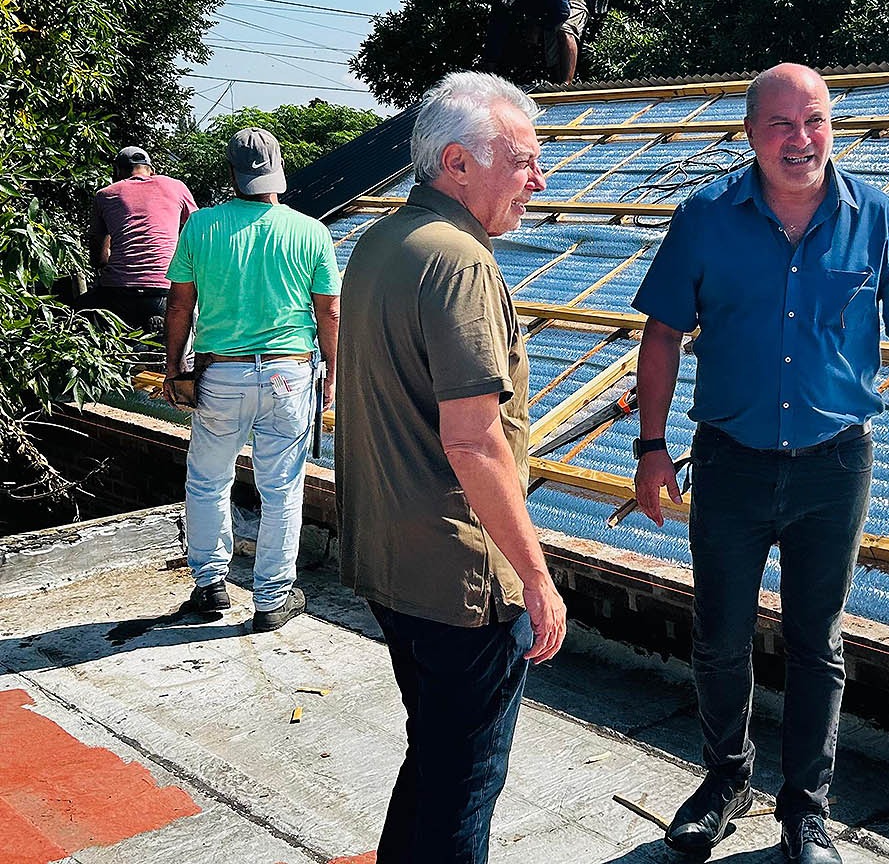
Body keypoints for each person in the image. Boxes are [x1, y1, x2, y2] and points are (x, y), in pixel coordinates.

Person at [631, 63, 889, 864]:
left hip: (833, 466)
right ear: (750, 133)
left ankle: (806, 811)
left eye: (814, 120)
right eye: (781, 124)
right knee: (719, 635)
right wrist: (650, 448)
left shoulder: (878, 217)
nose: (800, 139)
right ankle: (725, 780)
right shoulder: (706, 216)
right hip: (731, 461)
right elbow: (661, 336)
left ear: (832, 127)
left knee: (818, 641)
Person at [335, 70, 567, 863]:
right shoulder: (462, 263)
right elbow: (473, 442)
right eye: (523, 160)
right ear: (458, 164)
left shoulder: (381, 242)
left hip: (392, 562)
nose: (539, 179)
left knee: (433, 766)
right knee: (463, 786)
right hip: (460, 581)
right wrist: (534, 575)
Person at [163, 127, 340, 633]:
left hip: (219, 372)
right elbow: (328, 311)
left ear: (233, 174)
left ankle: (211, 585)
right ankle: (272, 599)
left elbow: (180, 303)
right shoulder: (310, 232)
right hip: (290, 372)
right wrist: (330, 371)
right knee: (282, 488)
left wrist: (174, 368)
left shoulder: (202, 226)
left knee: (207, 479)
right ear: (278, 168)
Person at [80, 146, 197, 331]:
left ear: (117, 171)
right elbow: (197, 229)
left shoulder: (105, 195)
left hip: (118, 291)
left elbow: (98, 258)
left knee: (79, 314)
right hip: (166, 287)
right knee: (174, 355)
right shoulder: (176, 187)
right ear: (151, 170)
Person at [479, 0, 596, 85]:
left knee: (564, 31)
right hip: (553, 9)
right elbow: (495, 31)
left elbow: (563, 11)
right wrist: (488, 73)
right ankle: (557, 85)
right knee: (549, 49)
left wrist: (537, 26)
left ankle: (566, 86)